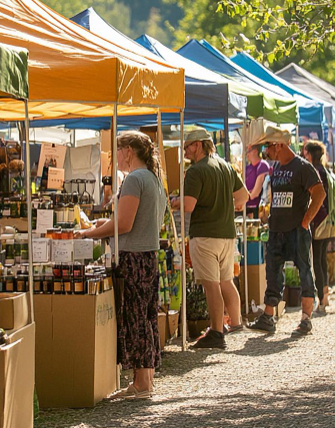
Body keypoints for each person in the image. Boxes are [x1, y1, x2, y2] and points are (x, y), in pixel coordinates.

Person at [78, 131, 166, 399]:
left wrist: (87, 234)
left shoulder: (134, 179)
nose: (115, 155)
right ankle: (145, 380)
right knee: (147, 318)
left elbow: (124, 224)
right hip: (148, 256)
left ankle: (140, 383)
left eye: (118, 149)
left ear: (128, 151)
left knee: (136, 319)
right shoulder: (153, 179)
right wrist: (98, 227)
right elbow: (128, 221)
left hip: (133, 258)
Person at [173, 129, 250, 349]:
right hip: (226, 233)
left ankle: (216, 332)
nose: (185, 152)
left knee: (211, 286)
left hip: (205, 235)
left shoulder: (196, 171)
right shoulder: (225, 165)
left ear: (198, 145)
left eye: (187, 147)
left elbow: (188, 206)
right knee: (226, 281)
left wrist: (177, 202)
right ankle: (235, 323)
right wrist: (229, 206)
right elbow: (244, 196)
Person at [247, 127, 326, 336]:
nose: (266, 151)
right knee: (273, 271)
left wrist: (305, 221)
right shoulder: (277, 168)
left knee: (304, 271)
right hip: (277, 230)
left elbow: (319, 194)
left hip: (296, 230)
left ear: (280, 145)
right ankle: (268, 316)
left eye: (268, 146)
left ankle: (306, 319)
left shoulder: (303, 167)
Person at [302, 140, 333, 313]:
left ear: (310, 154)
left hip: (317, 221)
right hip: (326, 221)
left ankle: (321, 299)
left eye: (306, 153)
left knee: (317, 261)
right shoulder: (325, 170)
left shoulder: (315, 171)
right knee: (322, 259)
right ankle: (325, 296)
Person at [245, 144, 271, 219]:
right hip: (247, 207)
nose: (247, 154)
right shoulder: (247, 168)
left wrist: (246, 196)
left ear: (255, 151)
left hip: (258, 208)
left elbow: (255, 193)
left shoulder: (262, 165)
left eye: (248, 151)